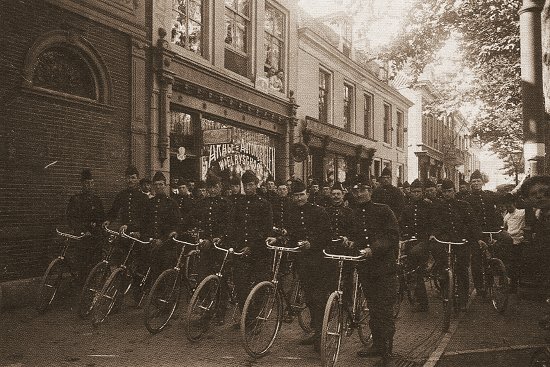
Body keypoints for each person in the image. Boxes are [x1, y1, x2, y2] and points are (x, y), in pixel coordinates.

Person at [273, 179, 331, 352]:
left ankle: (321, 335)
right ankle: (317, 331)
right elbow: (291, 234)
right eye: (296, 196)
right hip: (303, 262)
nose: (299, 199)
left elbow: (326, 235)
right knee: (310, 299)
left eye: (301, 195)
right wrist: (278, 239)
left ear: (307, 194)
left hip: (319, 261)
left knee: (318, 298)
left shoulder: (319, 211)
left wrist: (311, 243)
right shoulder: (291, 213)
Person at [349, 174, 399, 362]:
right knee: (372, 307)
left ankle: (386, 348)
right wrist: (350, 242)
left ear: (370, 191)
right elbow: (354, 235)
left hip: (384, 268)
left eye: (363, 190)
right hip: (366, 268)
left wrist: (374, 248)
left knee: (383, 309)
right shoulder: (353, 212)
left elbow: (392, 236)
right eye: (356, 191)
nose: (359, 194)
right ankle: (377, 344)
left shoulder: (384, 210)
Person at [430, 179, 485, 311]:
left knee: (462, 269)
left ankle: (463, 299)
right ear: (441, 192)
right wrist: (433, 234)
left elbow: (472, 223)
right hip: (446, 240)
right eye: (444, 192)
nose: (447, 194)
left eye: (449, 191)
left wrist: (478, 239)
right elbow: (434, 223)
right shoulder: (438, 206)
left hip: (462, 240)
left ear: (454, 191)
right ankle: (445, 292)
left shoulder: (464, 205)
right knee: (442, 266)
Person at [228, 170, 273, 317]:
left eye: (250, 185)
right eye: (245, 185)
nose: (247, 188)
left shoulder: (264, 204)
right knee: (241, 286)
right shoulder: (238, 203)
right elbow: (233, 226)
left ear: (256, 185)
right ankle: (247, 317)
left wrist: (252, 246)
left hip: (259, 252)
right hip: (241, 251)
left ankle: (258, 314)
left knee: (260, 285)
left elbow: (265, 229)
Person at [191, 174, 232, 323]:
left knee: (221, 279)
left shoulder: (226, 204)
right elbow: (192, 218)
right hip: (206, 247)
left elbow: (229, 225)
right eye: (210, 188)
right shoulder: (202, 203)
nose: (213, 190)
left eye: (215, 187)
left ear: (220, 188)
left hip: (221, 247)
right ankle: (208, 308)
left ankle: (221, 311)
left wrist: (221, 237)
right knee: (203, 277)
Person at [464, 169, 503, 297]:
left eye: (478, 181)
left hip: (490, 232)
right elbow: (468, 221)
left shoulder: (489, 196)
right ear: (470, 183)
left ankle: (496, 281)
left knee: (493, 257)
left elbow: (496, 214)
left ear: (482, 182)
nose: (476, 183)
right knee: (476, 260)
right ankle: (479, 287)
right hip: (475, 235)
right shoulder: (467, 199)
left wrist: (497, 232)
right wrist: (476, 237)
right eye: (473, 181)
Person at [103, 166, 149, 266]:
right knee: (121, 260)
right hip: (125, 232)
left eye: (133, 178)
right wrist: (108, 220)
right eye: (128, 178)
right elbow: (114, 210)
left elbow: (144, 218)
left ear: (137, 179)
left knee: (139, 262)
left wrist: (133, 227)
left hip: (139, 233)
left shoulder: (143, 198)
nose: (130, 180)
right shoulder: (122, 195)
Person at [66, 169, 105, 284]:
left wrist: (95, 226)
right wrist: (82, 230)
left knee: (94, 264)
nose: (89, 185)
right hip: (81, 237)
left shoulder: (97, 200)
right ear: (82, 184)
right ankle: (82, 285)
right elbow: (71, 218)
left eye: (91, 183)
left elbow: (101, 218)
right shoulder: (75, 199)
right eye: (86, 183)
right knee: (81, 264)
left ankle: (92, 285)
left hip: (94, 238)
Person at [142, 171, 181, 285]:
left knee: (164, 273)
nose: (158, 187)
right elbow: (144, 222)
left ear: (165, 185)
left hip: (166, 245)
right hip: (150, 242)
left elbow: (177, 224)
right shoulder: (149, 203)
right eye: (156, 185)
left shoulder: (171, 203)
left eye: (161, 184)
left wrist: (164, 238)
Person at [399, 179, 432, 312]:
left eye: (418, 191)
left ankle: (422, 302)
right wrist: (404, 234)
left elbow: (433, 224)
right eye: (413, 192)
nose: (416, 194)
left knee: (416, 266)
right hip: (410, 241)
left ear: (422, 192)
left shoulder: (428, 207)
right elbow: (402, 224)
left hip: (425, 241)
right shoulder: (407, 208)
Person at [501, 193, 525, 295]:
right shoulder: (506, 217)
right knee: (511, 265)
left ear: (514, 203)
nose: (508, 208)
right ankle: (512, 286)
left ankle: (518, 285)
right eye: (507, 206)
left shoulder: (522, 213)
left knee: (518, 264)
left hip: (520, 242)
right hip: (510, 243)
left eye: (510, 205)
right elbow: (504, 228)